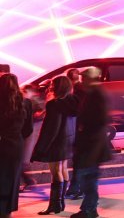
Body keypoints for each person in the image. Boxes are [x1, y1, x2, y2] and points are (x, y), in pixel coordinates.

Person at [31, 76, 77, 215]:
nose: (50, 87)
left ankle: (54, 205)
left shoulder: (54, 104)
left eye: (52, 84)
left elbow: (51, 128)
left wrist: (40, 149)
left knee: (56, 171)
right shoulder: (72, 102)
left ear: (57, 87)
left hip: (56, 143)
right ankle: (60, 203)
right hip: (67, 141)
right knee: (62, 169)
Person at [70, 67, 111, 218]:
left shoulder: (97, 94)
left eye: (84, 77)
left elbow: (101, 119)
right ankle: (89, 209)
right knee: (88, 177)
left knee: (88, 177)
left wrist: (83, 127)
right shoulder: (93, 93)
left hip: (92, 145)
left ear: (90, 78)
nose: (81, 80)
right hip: (91, 144)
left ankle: (89, 210)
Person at [1, 73, 34, 218]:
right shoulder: (25, 103)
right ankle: (7, 212)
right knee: (12, 180)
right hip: (15, 145)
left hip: (2, 143)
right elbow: (28, 129)